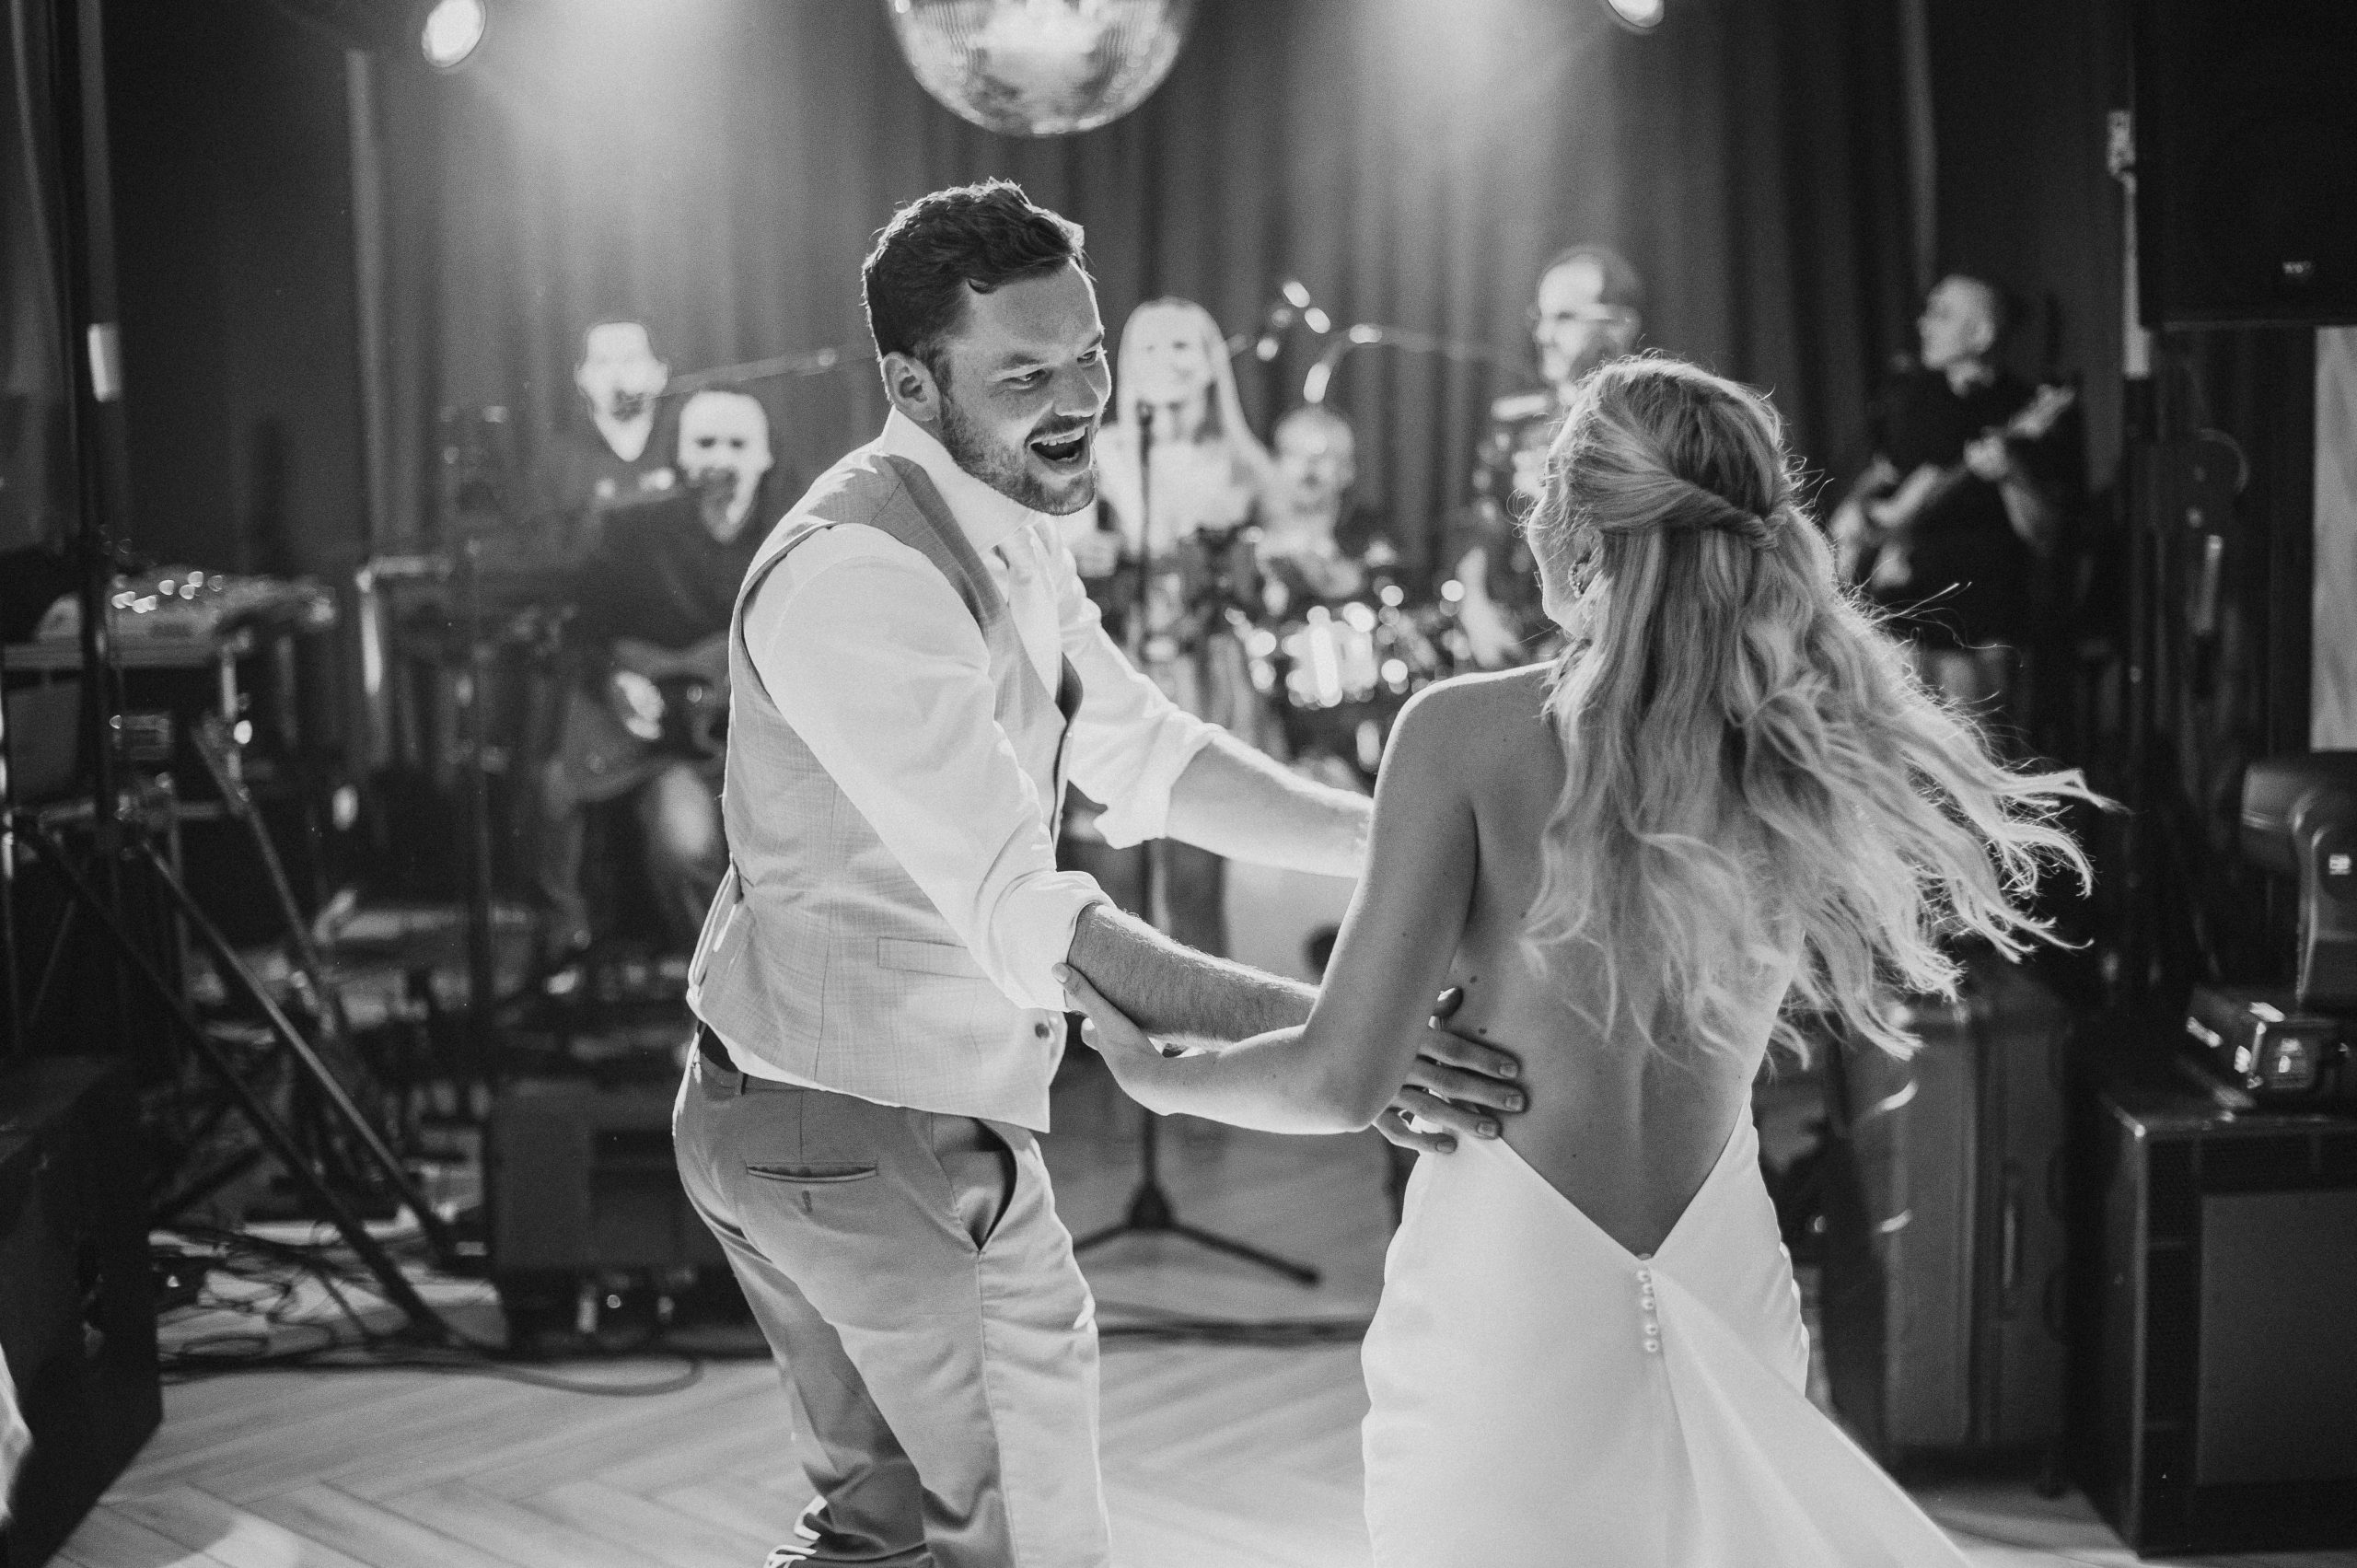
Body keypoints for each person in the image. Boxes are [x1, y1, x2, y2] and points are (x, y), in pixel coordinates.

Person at [1061, 354, 2094, 1565]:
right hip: (1723, 1264)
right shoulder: (1794, 743)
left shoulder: (1464, 734)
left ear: (1573, 539)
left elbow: (1340, 1078)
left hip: (1511, 1295)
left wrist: (1160, 1075)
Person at [670, 181, 1525, 1568]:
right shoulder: (859, 575)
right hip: (864, 1128)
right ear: (911, 383)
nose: (1078, 401)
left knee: (880, 1533)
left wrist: (1390, 839)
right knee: (1029, 1538)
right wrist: (1337, 1033)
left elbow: (1149, 752)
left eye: (1089, 355)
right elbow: (1031, 913)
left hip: (817, 1113)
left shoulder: (1002, 512)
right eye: (1024, 375)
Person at [1059, 296, 1280, 956]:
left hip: (1206, 674)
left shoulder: (1244, 465)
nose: (1166, 361)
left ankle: (1205, 1014)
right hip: (1120, 662)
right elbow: (1053, 556)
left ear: (1211, 362)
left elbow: (1278, 572)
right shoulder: (1097, 454)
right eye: (1149, 347)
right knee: (1112, 877)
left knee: (1195, 880)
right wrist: (1082, 553)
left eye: (1182, 345)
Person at [539, 387, 781, 952]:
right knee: (683, 845)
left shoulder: (793, 533)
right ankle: (719, 989)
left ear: (766, 457)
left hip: (765, 754)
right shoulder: (631, 533)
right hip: (672, 755)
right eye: (705, 443)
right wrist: (614, 682)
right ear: (678, 457)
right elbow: (577, 633)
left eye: (738, 444)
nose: (721, 459)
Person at [1829, 273, 2082, 722]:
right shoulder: (1908, 400)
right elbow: (1882, 476)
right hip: (1901, 595)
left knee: (1968, 732)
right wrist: (1856, 509)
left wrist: (2011, 475)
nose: (1923, 324)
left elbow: (2045, 535)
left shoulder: (2022, 407)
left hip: (1981, 606)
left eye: (1941, 314)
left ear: (1981, 334)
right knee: (1891, 730)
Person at [1451, 244, 1643, 668]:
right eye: (1539, 317)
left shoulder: (1651, 426)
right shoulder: (1515, 422)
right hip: (1514, 651)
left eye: (1565, 317)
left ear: (1620, 325)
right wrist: (1474, 607)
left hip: (1609, 653)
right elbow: (1481, 525)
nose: (1543, 335)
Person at [531, 318, 679, 563]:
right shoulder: (558, 461)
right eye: (602, 362)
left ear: (660, 374)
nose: (616, 375)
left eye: (630, 360)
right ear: (581, 377)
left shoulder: (688, 445)